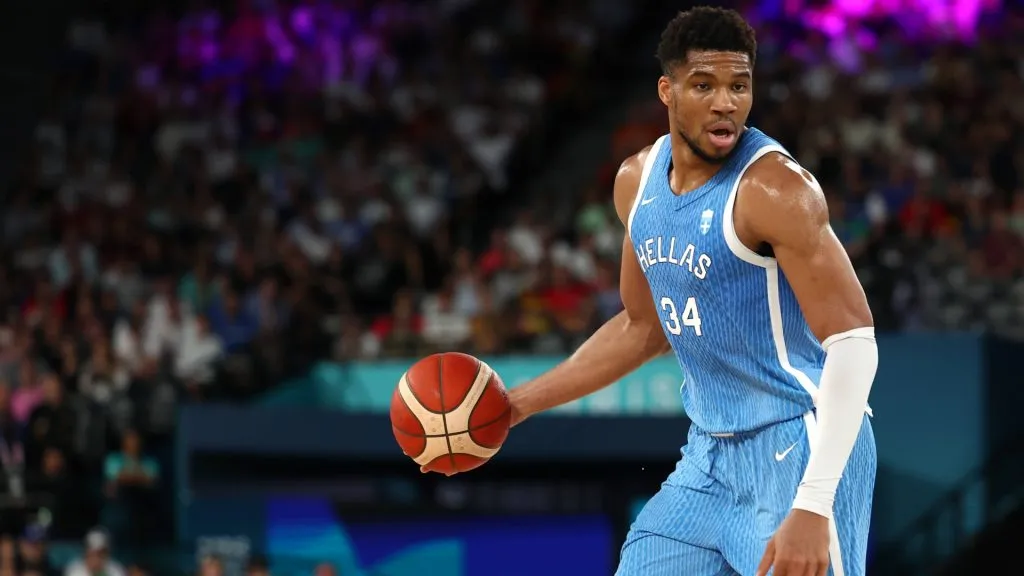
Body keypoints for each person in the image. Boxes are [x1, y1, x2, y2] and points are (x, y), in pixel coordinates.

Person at [483, 7, 876, 576]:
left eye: (739, 86)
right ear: (667, 91)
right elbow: (641, 328)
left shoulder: (775, 190)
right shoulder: (636, 183)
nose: (726, 103)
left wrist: (815, 502)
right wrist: (518, 405)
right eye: (704, 85)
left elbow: (855, 341)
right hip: (709, 457)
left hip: (799, 446)